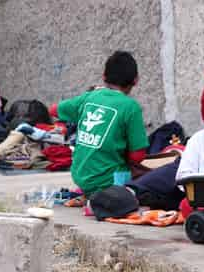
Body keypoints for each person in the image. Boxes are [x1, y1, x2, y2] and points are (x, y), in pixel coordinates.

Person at [50, 51, 149, 196]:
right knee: (151, 180)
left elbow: (53, 110)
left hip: (80, 177)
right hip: (110, 183)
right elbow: (138, 156)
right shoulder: (131, 107)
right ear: (135, 80)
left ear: (104, 76)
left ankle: (91, 194)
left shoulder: (89, 97)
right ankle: (105, 198)